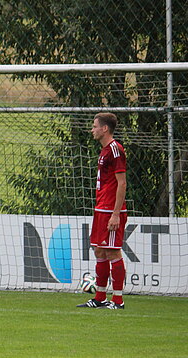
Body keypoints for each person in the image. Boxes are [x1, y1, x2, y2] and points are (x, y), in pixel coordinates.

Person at [77, 112, 128, 309]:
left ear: (104, 128)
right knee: (99, 250)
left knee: (113, 252)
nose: (92, 130)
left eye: (95, 126)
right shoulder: (105, 150)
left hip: (111, 211)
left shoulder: (116, 149)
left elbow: (122, 183)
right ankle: (99, 298)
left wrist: (116, 214)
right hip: (101, 208)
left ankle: (118, 300)